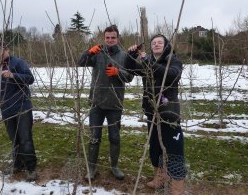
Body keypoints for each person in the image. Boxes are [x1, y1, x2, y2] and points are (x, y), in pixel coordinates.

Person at [126, 34, 186, 195]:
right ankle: (159, 178)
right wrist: (131, 55)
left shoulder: (173, 60)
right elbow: (131, 68)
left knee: (174, 150)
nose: (157, 44)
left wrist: (148, 62)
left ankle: (177, 188)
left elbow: (172, 75)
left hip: (169, 113)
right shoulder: (148, 63)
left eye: (160, 42)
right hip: (151, 112)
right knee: (155, 148)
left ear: (166, 46)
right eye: (154, 43)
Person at [78, 25, 134, 181]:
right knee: (94, 137)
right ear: (104, 38)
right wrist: (88, 52)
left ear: (118, 38)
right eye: (107, 37)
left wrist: (118, 72)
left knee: (114, 137)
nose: (110, 40)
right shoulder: (97, 54)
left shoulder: (124, 56)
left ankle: (114, 166)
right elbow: (80, 62)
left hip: (115, 103)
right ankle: (92, 168)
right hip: (96, 102)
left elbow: (129, 77)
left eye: (113, 38)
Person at [0, 41, 37, 182]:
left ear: (7, 49)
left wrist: (13, 75)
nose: (0, 53)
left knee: (25, 139)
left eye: (1, 50)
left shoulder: (18, 63)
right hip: (6, 109)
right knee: (14, 139)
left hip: (22, 106)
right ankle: (17, 164)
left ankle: (31, 168)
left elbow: (30, 79)